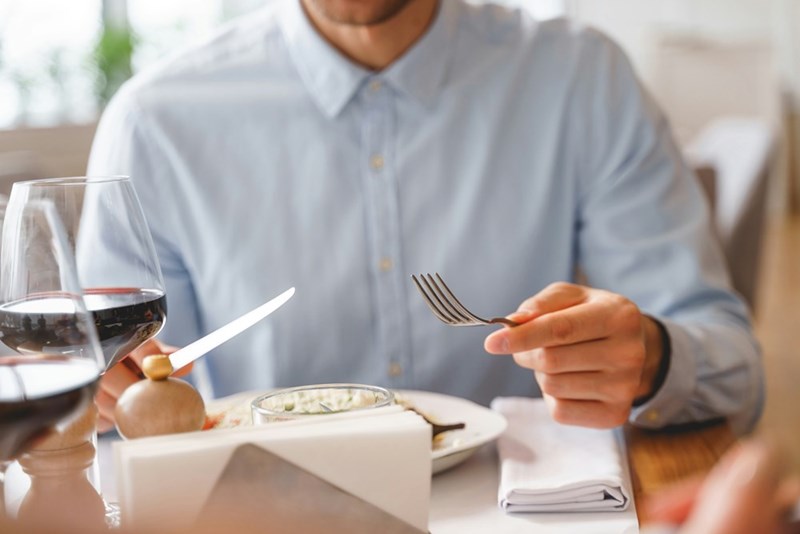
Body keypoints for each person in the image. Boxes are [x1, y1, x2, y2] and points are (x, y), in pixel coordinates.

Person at [88, 0, 763, 435]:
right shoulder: (156, 122)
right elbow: (94, 384)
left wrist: (651, 357)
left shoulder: (580, 78)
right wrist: (99, 390)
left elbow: (735, 367)